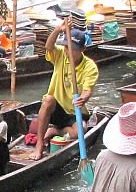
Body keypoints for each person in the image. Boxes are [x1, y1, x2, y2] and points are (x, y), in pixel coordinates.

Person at [29, 18, 98, 160]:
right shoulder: (61, 54)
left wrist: (82, 99)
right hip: (57, 107)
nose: (68, 52)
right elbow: (48, 47)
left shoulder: (89, 66)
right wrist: (57, 30)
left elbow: (87, 90)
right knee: (48, 99)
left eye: (73, 49)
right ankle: (40, 144)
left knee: (79, 132)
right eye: (67, 47)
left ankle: (55, 130)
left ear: (82, 50)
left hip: (75, 110)